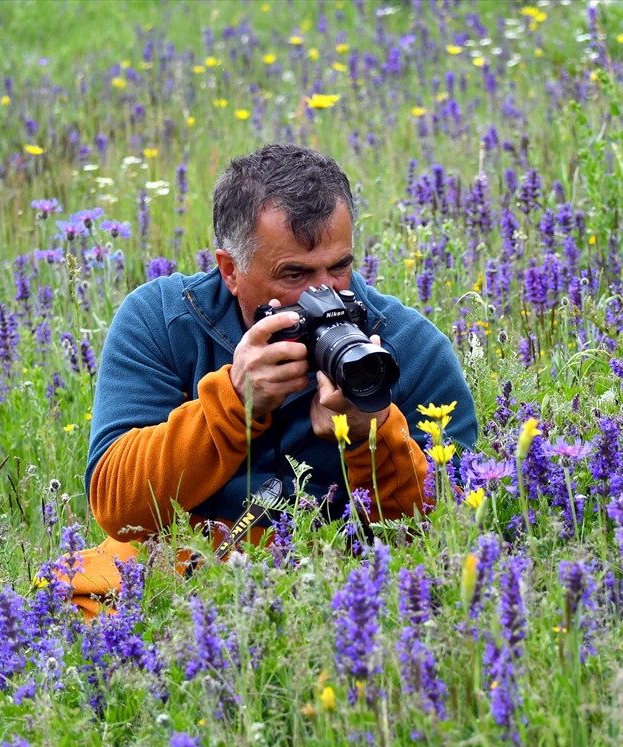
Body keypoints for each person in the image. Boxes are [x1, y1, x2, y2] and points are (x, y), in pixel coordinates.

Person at [64, 144, 477, 617]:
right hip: (181, 577)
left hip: (338, 593)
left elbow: (446, 538)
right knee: (79, 604)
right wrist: (234, 405)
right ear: (231, 270)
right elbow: (118, 507)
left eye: (339, 266)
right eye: (294, 273)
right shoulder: (162, 321)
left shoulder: (411, 348)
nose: (325, 291)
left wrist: (373, 435)